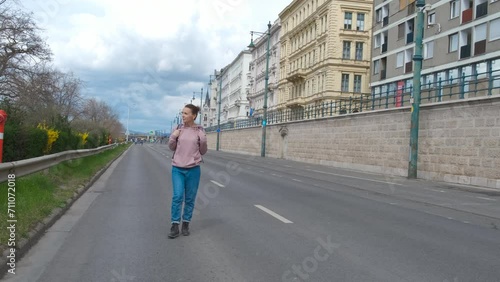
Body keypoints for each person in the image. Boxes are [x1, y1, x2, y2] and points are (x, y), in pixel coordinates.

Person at [167, 104, 208, 238]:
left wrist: (203, 140)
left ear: (193, 116)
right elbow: (171, 147)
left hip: (193, 169)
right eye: (182, 113)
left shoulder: (199, 131)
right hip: (177, 168)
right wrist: (173, 136)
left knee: (190, 198)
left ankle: (186, 223)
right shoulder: (178, 129)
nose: (183, 116)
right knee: (178, 196)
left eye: (185, 113)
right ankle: (174, 225)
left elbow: (203, 151)